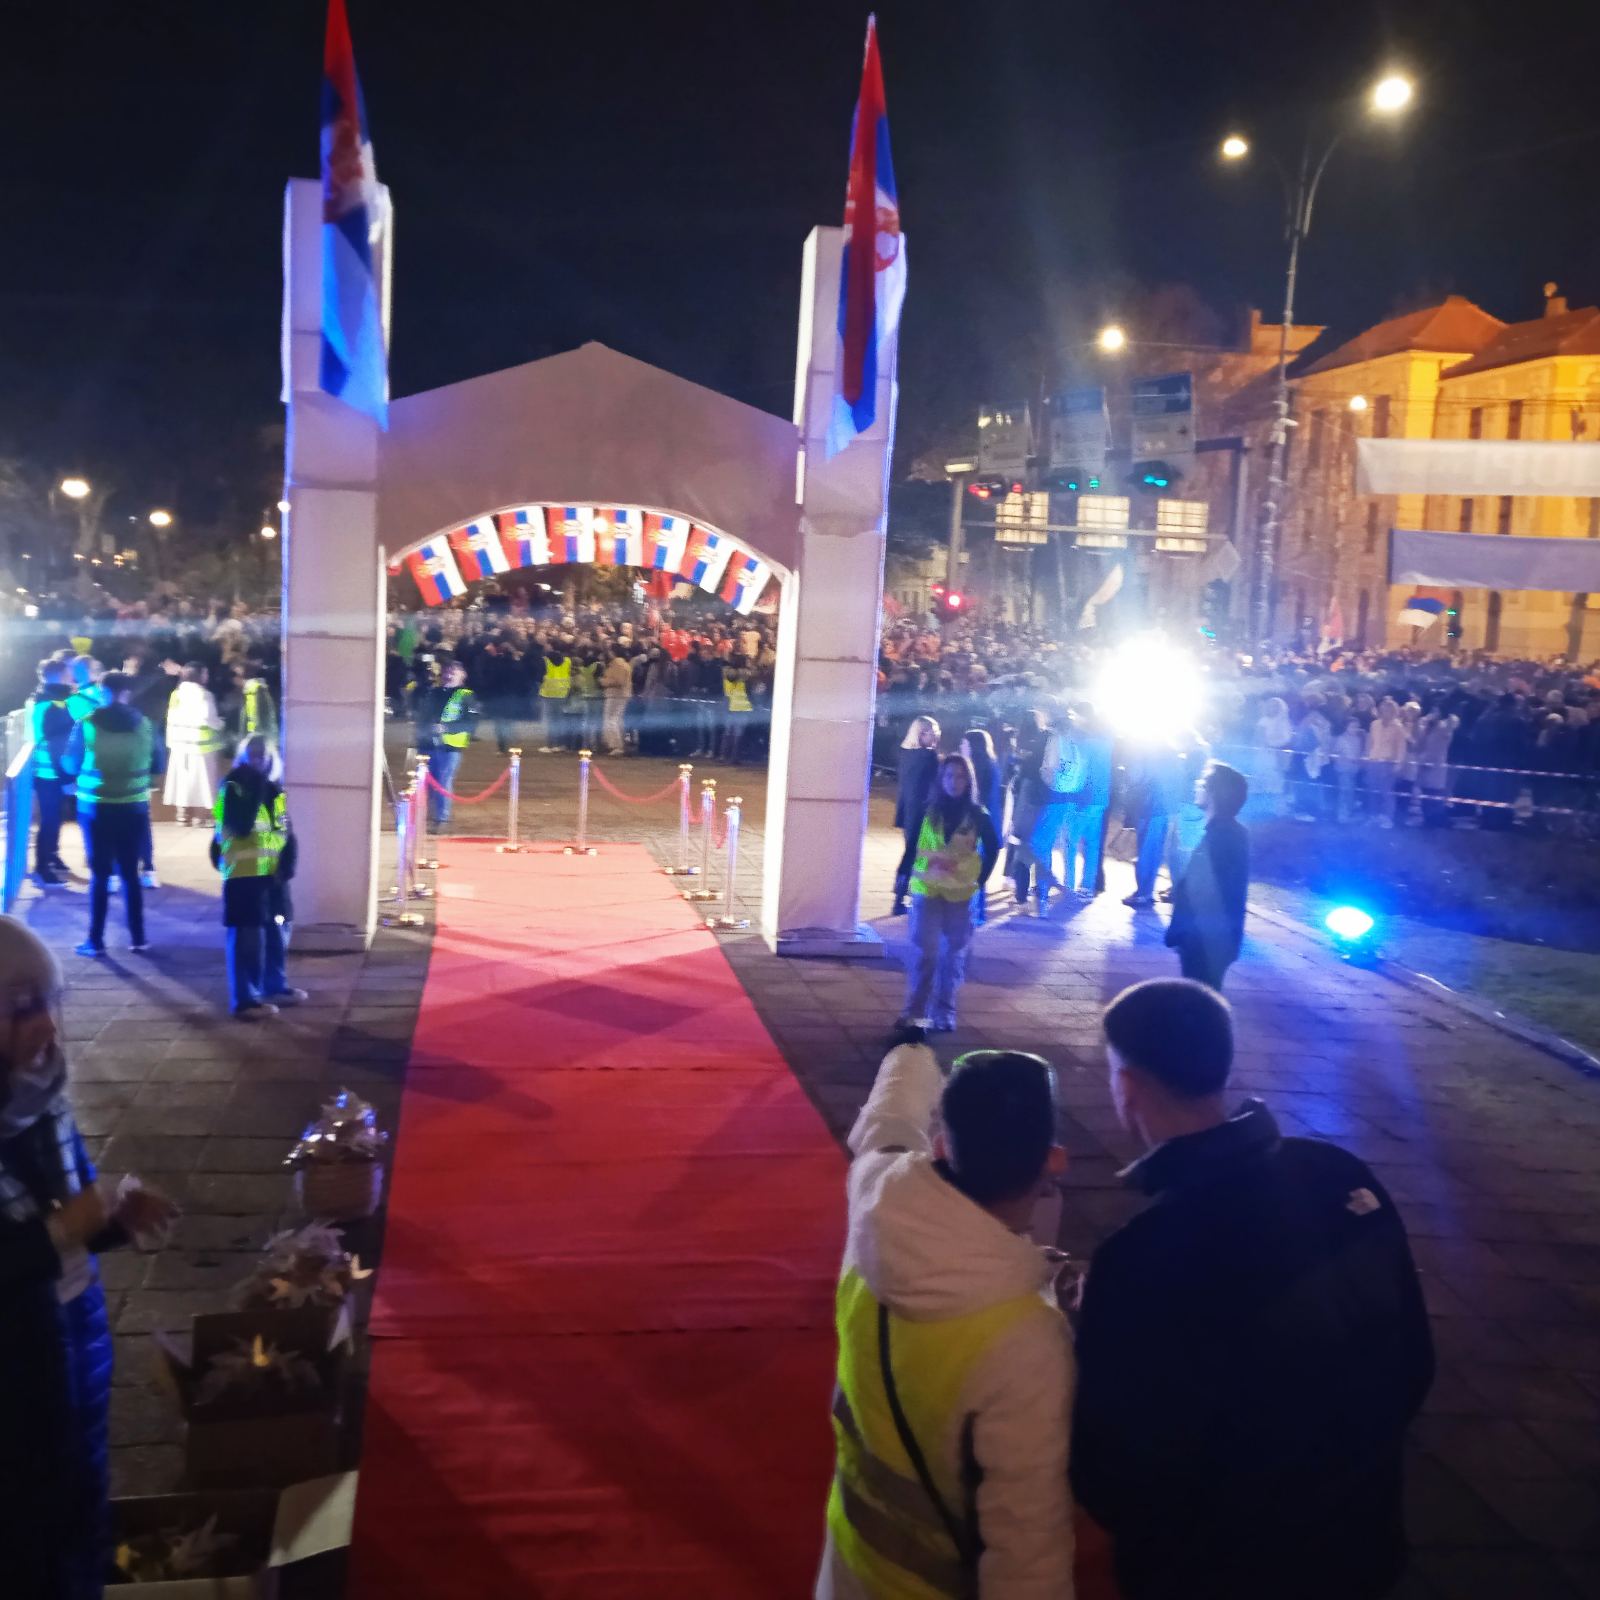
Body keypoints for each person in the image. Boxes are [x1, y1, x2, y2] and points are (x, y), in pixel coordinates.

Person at [1072, 979, 1434, 1600]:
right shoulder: (1340, 1176)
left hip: (1221, 1566)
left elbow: (1114, 1467)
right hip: (1360, 1540)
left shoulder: (1143, 1256)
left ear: (1128, 1086)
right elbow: (1413, 1362)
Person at [816, 1032, 1074, 1598]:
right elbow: (1028, 1549)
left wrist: (910, 1055)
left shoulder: (875, 1205)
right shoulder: (1026, 1338)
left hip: (848, 1560)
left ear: (940, 1146)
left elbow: (887, 1125)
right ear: (1052, 1162)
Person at [0, 915, 180, 1599]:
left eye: (49, 1002)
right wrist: (58, 1233)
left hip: (69, 1348)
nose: (46, 1027)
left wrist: (106, 1224)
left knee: (78, 1507)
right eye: (22, 1009)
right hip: (13, 1387)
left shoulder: (38, 1096)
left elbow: (55, 1224)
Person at [897, 753, 999, 1032]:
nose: (955, 782)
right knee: (925, 954)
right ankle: (915, 1013)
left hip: (960, 894)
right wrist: (902, 876)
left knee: (953, 956)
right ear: (941, 779)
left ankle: (945, 1011)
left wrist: (980, 879)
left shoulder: (978, 815)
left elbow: (994, 846)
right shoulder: (926, 810)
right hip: (926, 889)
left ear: (969, 781)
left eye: (961, 776)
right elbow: (911, 846)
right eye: (949, 776)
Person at [61, 672, 154, 958]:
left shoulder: (87, 723)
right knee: (130, 873)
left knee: (100, 875)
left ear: (103, 692)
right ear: (127, 693)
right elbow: (158, 760)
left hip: (96, 807)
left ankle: (95, 941)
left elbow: (69, 762)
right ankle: (138, 938)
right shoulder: (144, 725)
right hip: (134, 806)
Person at [213, 737, 306, 1018]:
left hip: (272, 877)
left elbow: (284, 830)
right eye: (252, 756)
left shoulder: (274, 790)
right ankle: (245, 1000)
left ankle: (274, 985)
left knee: (278, 931)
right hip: (244, 878)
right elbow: (240, 826)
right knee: (247, 940)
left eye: (262, 756)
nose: (257, 761)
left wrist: (288, 862)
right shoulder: (233, 787)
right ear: (242, 757)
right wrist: (255, 785)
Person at [1164, 761, 1249, 992]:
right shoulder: (1227, 832)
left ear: (1214, 793)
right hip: (1210, 941)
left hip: (1205, 942)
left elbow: (1203, 892)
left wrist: (1181, 932)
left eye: (1202, 784)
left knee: (1199, 1005)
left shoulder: (1222, 837)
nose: (1196, 787)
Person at [29, 659, 75, 887]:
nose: (71, 678)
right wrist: (66, 778)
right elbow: (56, 744)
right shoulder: (51, 704)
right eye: (68, 674)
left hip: (48, 771)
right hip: (50, 774)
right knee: (50, 820)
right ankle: (42, 867)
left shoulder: (44, 699)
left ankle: (51, 858)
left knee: (53, 819)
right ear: (58, 676)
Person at [162, 663, 224, 825]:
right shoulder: (204, 695)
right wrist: (221, 724)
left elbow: (171, 718)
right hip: (201, 745)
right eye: (205, 673)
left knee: (181, 780)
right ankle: (200, 817)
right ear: (199, 676)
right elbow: (208, 719)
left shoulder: (176, 694)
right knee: (202, 782)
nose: (207, 676)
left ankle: (181, 816)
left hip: (179, 744)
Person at [891, 716, 940, 916]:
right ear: (922, 734)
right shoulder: (929, 757)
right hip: (924, 812)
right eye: (934, 732)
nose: (937, 737)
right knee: (918, 855)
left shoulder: (905, 754)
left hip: (908, 811)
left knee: (910, 852)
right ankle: (904, 896)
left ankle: (900, 892)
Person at [426, 660, 477, 829]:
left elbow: (471, 723)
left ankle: (442, 818)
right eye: (448, 671)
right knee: (429, 782)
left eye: (455, 671)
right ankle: (430, 815)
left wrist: (446, 728)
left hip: (451, 746)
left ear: (463, 675)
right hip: (430, 744)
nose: (450, 674)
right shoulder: (435, 692)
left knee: (443, 781)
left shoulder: (467, 695)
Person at [537, 645, 571, 752]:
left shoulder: (546, 662)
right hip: (562, 694)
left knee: (551, 722)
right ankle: (560, 745)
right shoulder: (567, 662)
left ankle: (550, 745)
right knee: (560, 721)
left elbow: (540, 677)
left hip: (548, 695)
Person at [600, 647, 632, 755]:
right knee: (617, 720)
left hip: (615, 695)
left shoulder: (617, 664)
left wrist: (603, 681)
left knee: (611, 720)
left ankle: (616, 745)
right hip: (620, 695)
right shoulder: (624, 664)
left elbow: (619, 681)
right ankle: (619, 745)